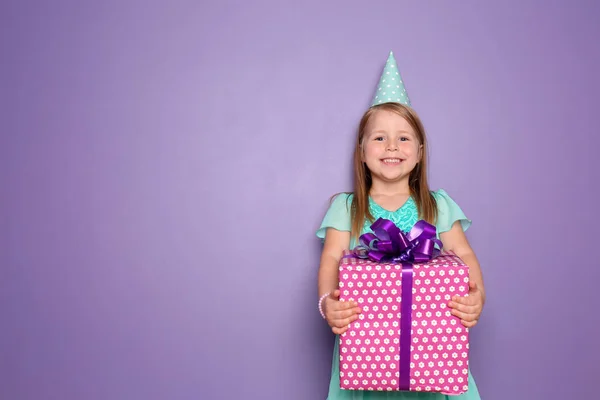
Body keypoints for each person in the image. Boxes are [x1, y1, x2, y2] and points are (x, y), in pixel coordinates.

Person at [315, 52, 485, 399]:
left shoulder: (437, 204)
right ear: (361, 151)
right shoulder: (345, 207)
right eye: (379, 138)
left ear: (420, 152)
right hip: (367, 349)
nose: (392, 146)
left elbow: (462, 252)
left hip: (434, 347)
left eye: (404, 138)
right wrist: (326, 304)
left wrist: (476, 296)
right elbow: (332, 260)